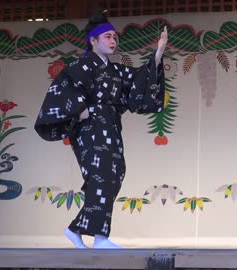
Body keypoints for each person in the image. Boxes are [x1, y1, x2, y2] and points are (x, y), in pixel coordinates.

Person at [34, 10, 168, 249]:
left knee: (114, 174)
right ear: (93, 41)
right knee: (101, 175)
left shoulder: (116, 71)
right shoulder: (81, 66)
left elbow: (140, 80)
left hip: (111, 125)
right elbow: (64, 87)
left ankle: (76, 229)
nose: (113, 40)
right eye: (107, 36)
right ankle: (100, 238)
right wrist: (80, 109)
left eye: (114, 37)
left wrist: (157, 55)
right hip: (90, 128)